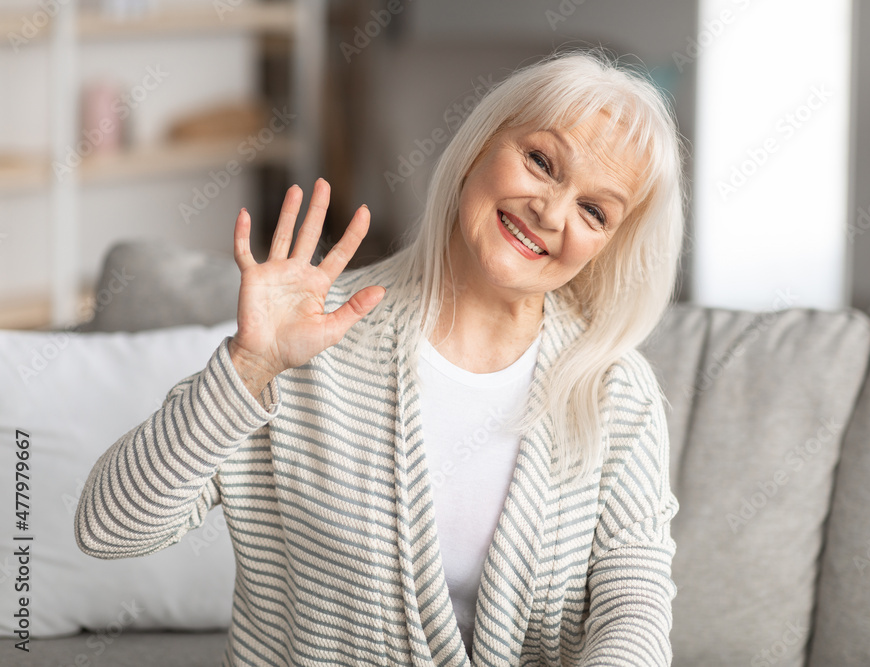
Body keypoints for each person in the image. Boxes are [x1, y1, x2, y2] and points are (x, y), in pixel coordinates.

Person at [75, 47, 687, 666]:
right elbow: (109, 529)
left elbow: (632, 601)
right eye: (540, 161)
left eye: (593, 210)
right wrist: (248, 370)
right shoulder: (310, 338)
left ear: (608, 246)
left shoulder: (614, 389)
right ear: (480, 146)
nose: (551, 211)